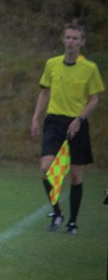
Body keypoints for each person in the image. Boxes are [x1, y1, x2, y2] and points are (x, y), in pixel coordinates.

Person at [30, 22, 103, 235]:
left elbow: (94, 98)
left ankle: (72, 222)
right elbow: (44, 91)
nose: (71, 42)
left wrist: (79, 119)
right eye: (68, 37)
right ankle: (57, 212)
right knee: (47, 168)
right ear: (63, 40)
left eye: (75, 38)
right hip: (54, 122)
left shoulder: (89, 68)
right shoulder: (52, 64)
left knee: (75, 175)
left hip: (77, 124)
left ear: (82, 42)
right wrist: (35, 118)